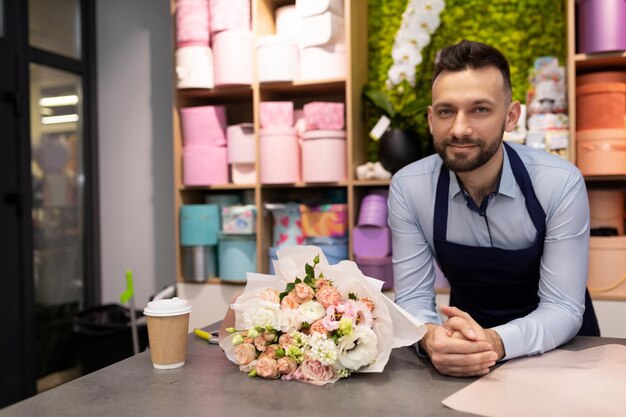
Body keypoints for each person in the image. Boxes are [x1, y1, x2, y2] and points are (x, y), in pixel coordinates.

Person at [388, 40, 600, 378]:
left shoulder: (559, 182)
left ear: (511, 116)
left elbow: (562, 307)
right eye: (446, 111)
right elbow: (412, 298)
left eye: (480, 110)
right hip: (467, 355)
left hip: (563, 353)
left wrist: (495, 342)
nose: (459, 128)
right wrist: (430, 338)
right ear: (431, 119)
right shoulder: (409, 188)